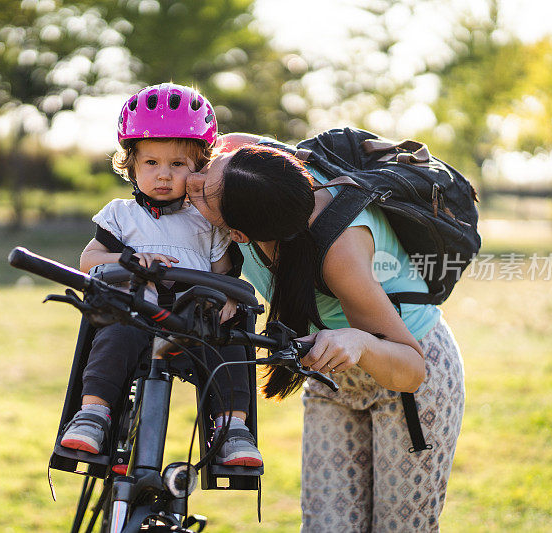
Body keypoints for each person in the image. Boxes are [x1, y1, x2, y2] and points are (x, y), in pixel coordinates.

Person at [185, 135, 465, 531]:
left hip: (408, 374)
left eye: (202, 194)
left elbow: (412, 367)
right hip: (331, 370)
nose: (192, 182)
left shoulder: (341, 253)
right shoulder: (239, 165)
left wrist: (359, 341)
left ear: (240, 235)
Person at [59, 84, 262, 467]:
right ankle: (93, 415)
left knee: (230, 346)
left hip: (194, 326)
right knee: (113, 337)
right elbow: (89, 260)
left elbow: (225, 275)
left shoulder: (208, 222)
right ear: (131, 165)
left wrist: (232, 299)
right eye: (151, 163)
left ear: (199, 168)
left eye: (178, 165)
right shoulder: (121, 215)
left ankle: (233, 429)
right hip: (136, 313)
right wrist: (129, 257)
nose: (163, 175)